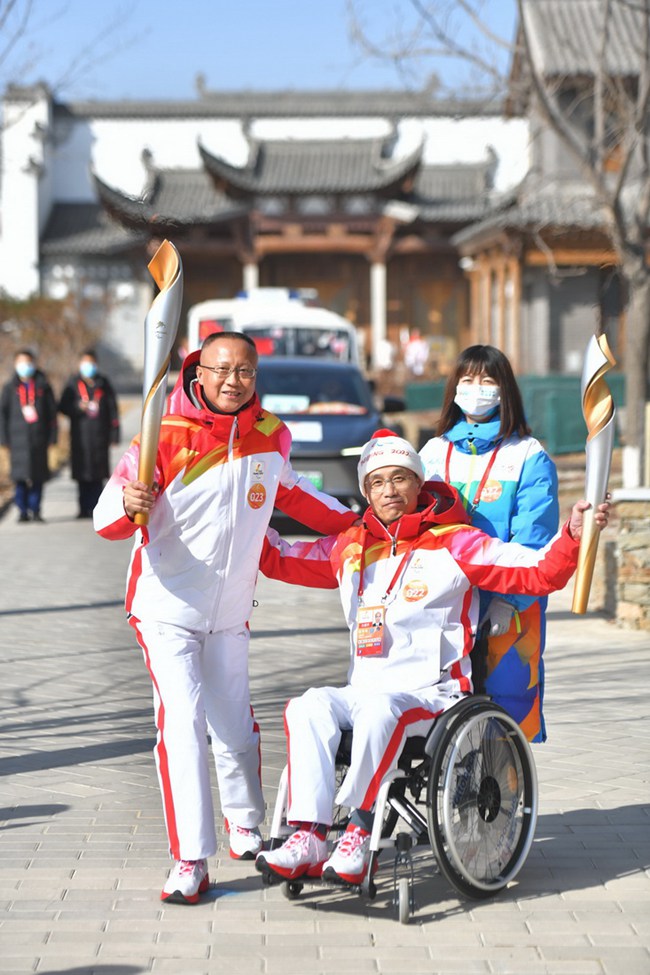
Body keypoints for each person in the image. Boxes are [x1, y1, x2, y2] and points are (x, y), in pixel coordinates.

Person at [254, 430, 610, 887]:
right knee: (307, 706)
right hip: (364, 690)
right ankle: (309, 834)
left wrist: (573, 535)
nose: (389, 490)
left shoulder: (456, 543)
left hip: (433, 694)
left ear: (419, 484)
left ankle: (360, 834)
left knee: (384, 711)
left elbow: (538, 571)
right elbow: (281, 558)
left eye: (400, 479)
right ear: (366, 491)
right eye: (378, 482)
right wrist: (237, 520)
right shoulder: (350, 547)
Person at [93, 331, 358, 906]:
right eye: (222, 370)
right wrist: (127, 504)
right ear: (198, 373)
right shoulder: (161, 430)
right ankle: (190, 859)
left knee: (235, 725)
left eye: (245, 371)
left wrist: (364, 524)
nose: (234, 380)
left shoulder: (269, 437)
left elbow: (300, 497)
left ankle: (245, 824)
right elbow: (106, 515)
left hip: (231, 611)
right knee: (183, 725)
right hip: (166, 610)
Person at [419, 345, 558, 742]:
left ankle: (507, 797)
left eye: (486, 381)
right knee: (439, 703)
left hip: (508, 602)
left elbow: (534, 538)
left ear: (504, 389)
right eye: (466, 380)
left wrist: (508, 600)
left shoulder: (528, 454)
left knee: (504, 705)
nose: (475, 389)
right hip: (443, 600)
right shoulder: (433, 452)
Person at [58, 349, 120, 519]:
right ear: (79, 365)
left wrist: (114, 434)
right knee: (82, 474)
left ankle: (96, 508)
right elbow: (62, 406)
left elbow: (113, 410)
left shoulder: (104, 383)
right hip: (80, 436)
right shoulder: (73, 384)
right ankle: (82, 508)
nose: (88, 367)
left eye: (91, 363)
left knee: (98, 475)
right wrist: (78, 407)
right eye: (85, 363)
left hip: (100, 436)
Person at [0, 349, 58, 523]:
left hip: (38, 439)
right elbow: (2, 414)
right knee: (20, 478)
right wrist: (4, 439)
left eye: (28, 362)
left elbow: (52, 415)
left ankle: (36, 510)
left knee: (38, 476)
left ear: (34, 363)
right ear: (16, 364)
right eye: (21, 363)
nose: (25, 366)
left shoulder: (43, 386)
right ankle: (22, 510)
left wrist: (52, 437)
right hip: (17, 440)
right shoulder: (9, 388)